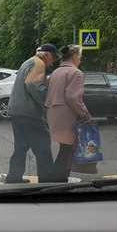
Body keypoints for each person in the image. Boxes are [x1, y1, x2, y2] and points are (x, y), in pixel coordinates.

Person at [5, 43, 58, 183]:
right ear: (46, 55)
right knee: (43, 144)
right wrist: (48, 100)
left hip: (17, 110)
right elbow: (32, 84)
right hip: (30, 112)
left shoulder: (28, 62)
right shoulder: (38, 63)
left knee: (21, 146)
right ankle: (47, 180)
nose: (52, 62)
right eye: (52, 58)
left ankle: (14, 176)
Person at [44, 44, 92, 182]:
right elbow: (72, 97)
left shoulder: (56, 72)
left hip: (53, 113)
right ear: (75, 57)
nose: (80, 60)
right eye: (80, 57)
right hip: (67, 114)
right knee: (67, 150)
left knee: (64, 148)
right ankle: (58, 180)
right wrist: (85, 115)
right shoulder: (76, 73)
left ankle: (55, 177)